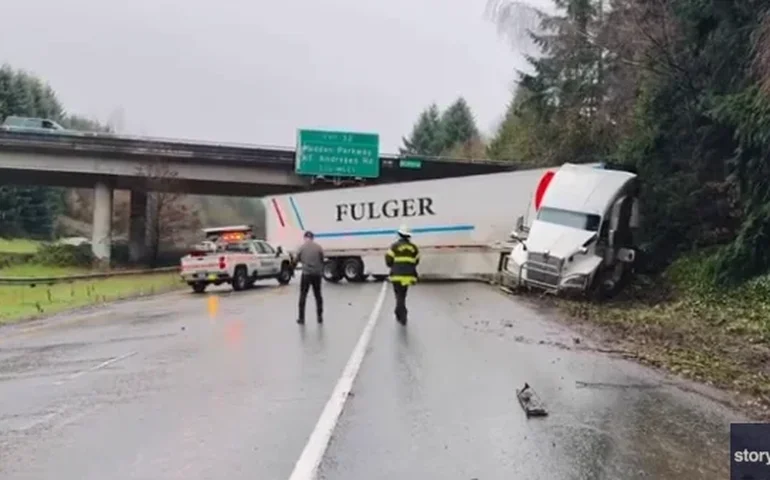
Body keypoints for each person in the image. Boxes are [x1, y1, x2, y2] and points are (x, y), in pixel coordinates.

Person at [385, 224, 419, 325]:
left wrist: (393, 266)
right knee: (402, 295)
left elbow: (388, 260)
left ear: (400, 234)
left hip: (396, 275)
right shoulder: (414, 248)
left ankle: (401, 313)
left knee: (399, 295)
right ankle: (399, 312)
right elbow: (416, 261)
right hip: (409, 276)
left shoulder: (394, 246)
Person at [294, 230, 324, 324]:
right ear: (312, 238)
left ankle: (301, 318)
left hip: (306, 274)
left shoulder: (301, 248)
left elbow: (296, 260)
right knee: (318, 295)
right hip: (316, 274)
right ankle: (319, 317)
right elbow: (322, 259)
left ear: (305, 238)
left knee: (303, 295)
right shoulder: (318, 247)